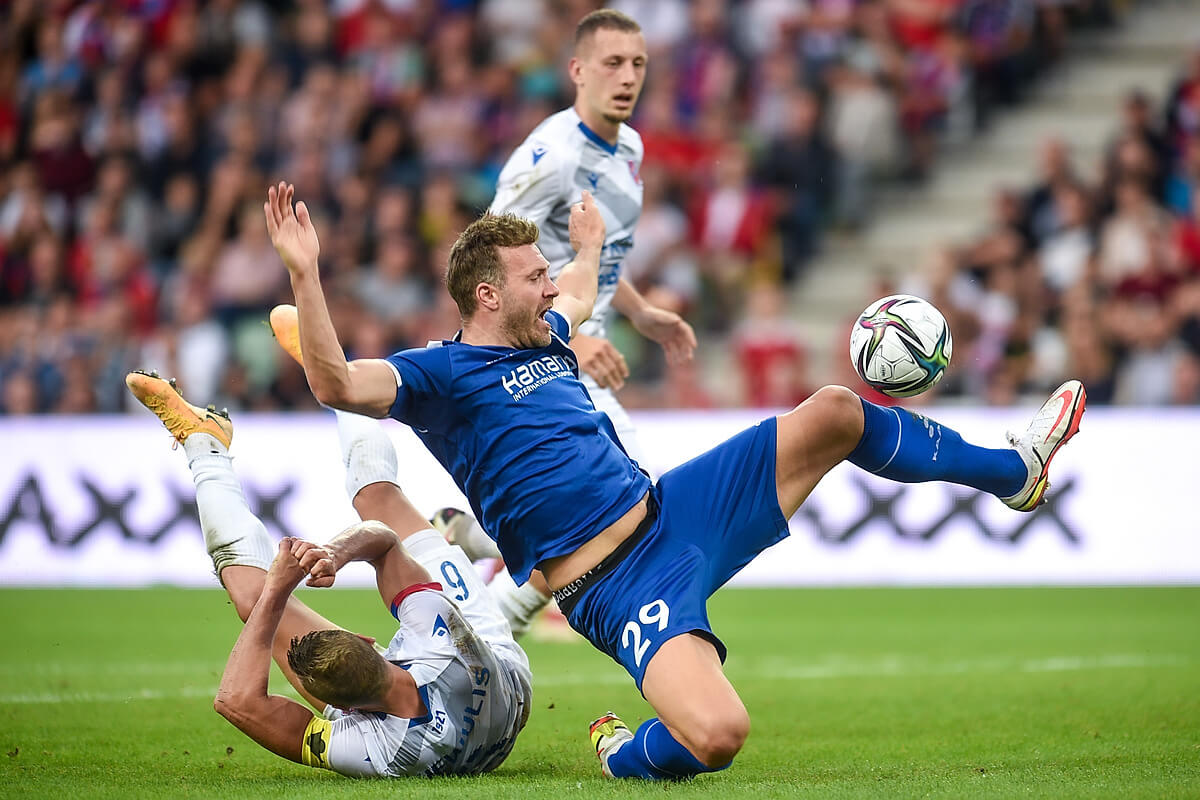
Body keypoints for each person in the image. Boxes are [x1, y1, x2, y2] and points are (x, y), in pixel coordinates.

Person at [263, 181, 1086, 780]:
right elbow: (337, 384)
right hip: (610, 586)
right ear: (486, 294)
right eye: (530, 276)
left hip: (674, 511)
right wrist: (306, 270)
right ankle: (627, 755)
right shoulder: (439, 377)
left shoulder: (547, 331)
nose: (547, 286)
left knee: (835, 410)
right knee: (720, 734)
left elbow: (581, 293)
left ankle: (1016, 471)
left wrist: (585, 251)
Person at [123, 369, 531, 778]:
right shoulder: (437, 636)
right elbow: (385, 540)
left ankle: (203, 442)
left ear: (344, 711)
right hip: (500, 668)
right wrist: (330, 555)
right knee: (378, 498)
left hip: (481, 722)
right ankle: (340, 383)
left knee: (252, 598)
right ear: (371, 645)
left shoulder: (374, 748)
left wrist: (272, 593)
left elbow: (242, 700)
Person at [448, 9, 697, 636]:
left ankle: (471, 540)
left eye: (637, 64)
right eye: (612, 63)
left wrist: (639, 313)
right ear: (577, 70)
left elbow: (598, 252)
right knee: (625, 507)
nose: (628, 77)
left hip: (584, 344)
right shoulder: (551, 155)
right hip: (542, 353)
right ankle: (492, 628)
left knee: (608, 507)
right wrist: (570, 332)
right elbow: (487, 255)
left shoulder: (630, 149)